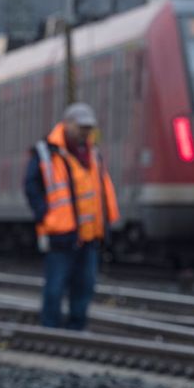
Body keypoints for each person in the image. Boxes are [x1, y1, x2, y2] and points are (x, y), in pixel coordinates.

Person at [23, 102, 119, 330]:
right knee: (55, 286)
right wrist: (44, 214)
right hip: (60, 232)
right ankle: (51, 328)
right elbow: (31, 185)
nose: (85, 132)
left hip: (89, 235)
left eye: (89, 128)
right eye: (81, 127)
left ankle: (76, 328)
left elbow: (100, 191)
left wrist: (105, 226)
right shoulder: (46, 151)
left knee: (85, 285)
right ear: (67, 124)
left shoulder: (93, 154)